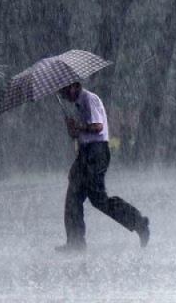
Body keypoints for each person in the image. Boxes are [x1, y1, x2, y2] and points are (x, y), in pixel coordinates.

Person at [56, 82, 150, 252]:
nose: (63, 96)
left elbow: (98, 127)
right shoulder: (78, 105)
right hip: (85, 153)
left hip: (96, 152)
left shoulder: (89, 99)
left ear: (73, 87)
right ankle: (75, 242)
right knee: (73, 198)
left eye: (63, 92)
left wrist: (79, 126)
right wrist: (72, 128)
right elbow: (78, 134)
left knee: (99, 199)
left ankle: (139, 222)